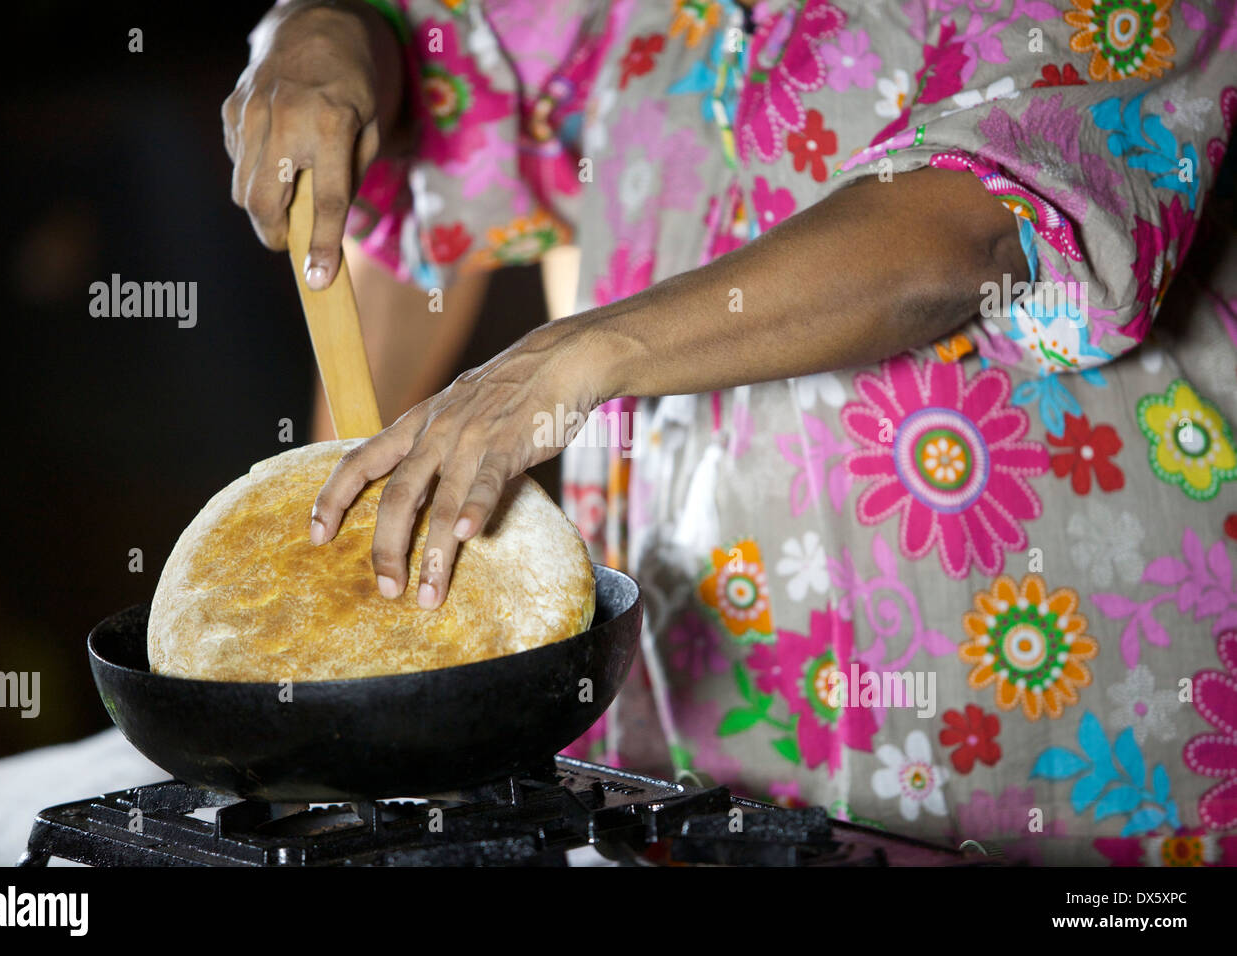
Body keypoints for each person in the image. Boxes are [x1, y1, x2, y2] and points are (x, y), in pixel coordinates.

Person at [224, 0, 1237, 863]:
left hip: (1052, 722)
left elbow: (966, 230)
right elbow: (437, 65)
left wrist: (581, 356)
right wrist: (324, 33)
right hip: (693, 739)